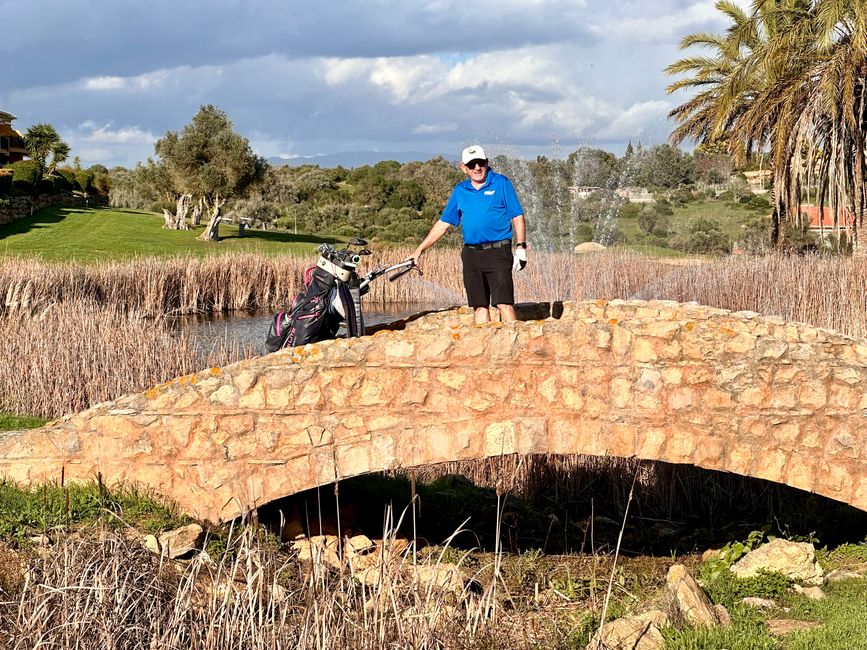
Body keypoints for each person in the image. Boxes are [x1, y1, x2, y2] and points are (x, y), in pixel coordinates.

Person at [409, 145, 528, 324]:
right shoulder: (460, 191)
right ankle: (486, 349)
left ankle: (515, 348)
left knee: (504, 303)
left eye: (480, 163)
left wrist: (521, 246)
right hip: (471, 254)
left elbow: (517, 215)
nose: (477, 168)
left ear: (487, 163)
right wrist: (419, 250)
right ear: (463, 167)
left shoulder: (501, 183)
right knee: (479, 306)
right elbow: (443, 223)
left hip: (498, 251)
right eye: (472, 164)